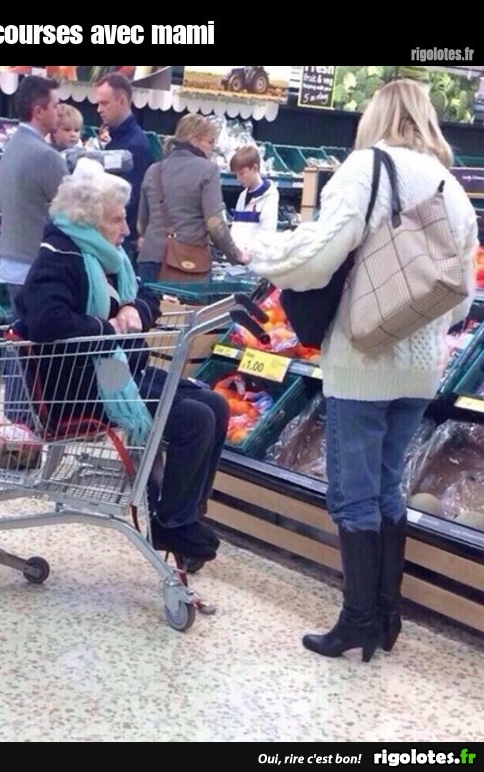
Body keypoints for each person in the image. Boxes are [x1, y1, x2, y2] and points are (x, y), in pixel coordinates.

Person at [250, 79, 479, 662]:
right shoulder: (452, 187)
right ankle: (386, 615)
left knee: (353, 495)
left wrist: (266, 255)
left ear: (375, 117)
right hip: (420, 366)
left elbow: (320, 257)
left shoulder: (366, 169)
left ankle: (357, 621)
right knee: (386, 487)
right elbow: (459, 300)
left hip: (362, 358)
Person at [13, 158, 228, 568]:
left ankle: (185, 515)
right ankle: (171, 523)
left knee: (215, 405)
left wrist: (134, 311)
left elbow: (148, 298)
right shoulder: (58, 256)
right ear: (89, 220)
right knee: (193, 419)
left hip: (115, 370)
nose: (127, 229)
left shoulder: (109, 258)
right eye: (117, 220)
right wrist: (109, 326)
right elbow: (45, 322)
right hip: (78, 384)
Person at [137, 114, 247, 284]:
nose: (213, 148)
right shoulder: (208, 170)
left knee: (148, 301)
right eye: (210, 142)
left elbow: (141, 224)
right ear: (194, 140)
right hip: (187, 263)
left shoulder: (153, 170)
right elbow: (215, 224)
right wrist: (236, 255)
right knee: (184, 303)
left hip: (150, 259)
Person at [0, 74, 68, 316]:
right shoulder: (45, 156)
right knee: (40, 336)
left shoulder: (11, 148)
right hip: (37, 265)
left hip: (11, 262)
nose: (60, 112)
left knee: (18, 332)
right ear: (39, 111)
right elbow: (74, 212)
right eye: (55, 106)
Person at [94, 73, 154, 266]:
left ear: (121, 101)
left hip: (119, 240)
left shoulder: (135, 145)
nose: (99, 109)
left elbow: (128, 199)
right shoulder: (118, 139)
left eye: (104, 103)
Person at [229, 144, 279, 253]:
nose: (238, 179)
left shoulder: (269, 196)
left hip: (256, 259)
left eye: (241, 173)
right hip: (238, 258)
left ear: (255, 168)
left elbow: (267, 233)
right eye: (236, 175)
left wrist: (249, 252)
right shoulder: (242, 196)